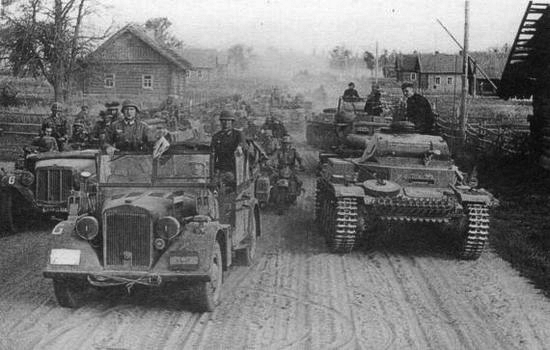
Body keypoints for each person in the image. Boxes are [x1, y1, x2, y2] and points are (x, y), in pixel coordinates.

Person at [211, 110, 248, 188]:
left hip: (234, 168)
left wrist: (239, 147)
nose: (226, 123)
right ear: (221, 122)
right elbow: (212, 154)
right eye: (223, 120)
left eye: (228, 120)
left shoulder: (238, 134)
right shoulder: (216, 136)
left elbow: (243, 144)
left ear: (232, 122)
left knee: (226, 179)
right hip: (220, 167)